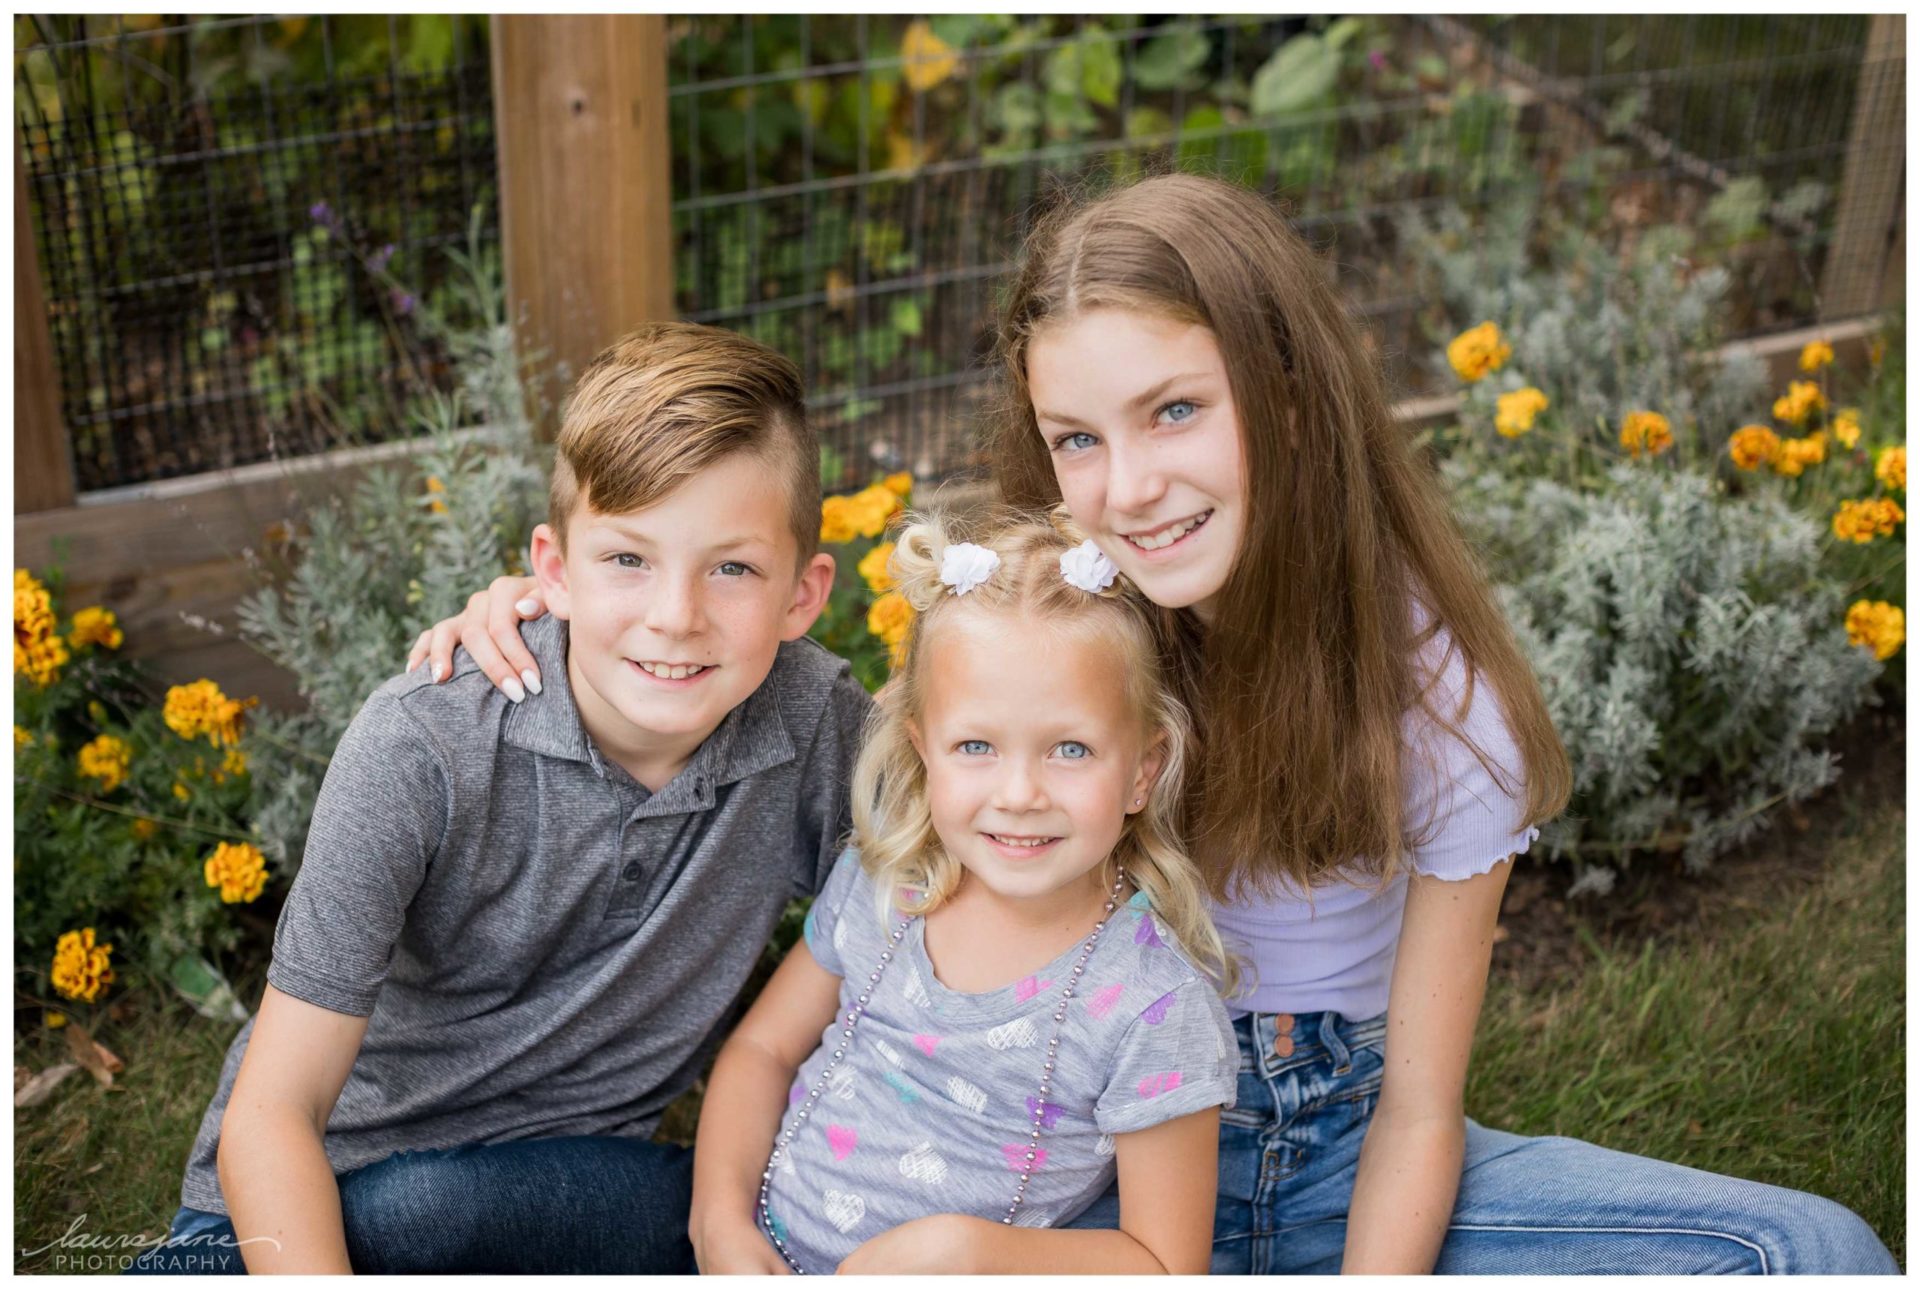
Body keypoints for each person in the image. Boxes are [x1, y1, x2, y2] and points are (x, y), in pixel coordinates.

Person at [411, 174, 1898, 1274]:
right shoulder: (1060, 633)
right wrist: (538, 622)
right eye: (1080, 437)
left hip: (1320, 1162)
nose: (1127, 485)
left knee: (1806, 1255)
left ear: (1293, 393)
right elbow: (790, 683)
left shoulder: (1443, 704)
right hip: (1037, 1176)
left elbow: (1421, 1116)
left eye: (1177, 411)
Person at [128, 323, 870, 1274]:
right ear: (554, 572)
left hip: (576, 1186)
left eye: (732, 567)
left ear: (803, 596)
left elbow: (977, 836)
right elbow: (273, 1112)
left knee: (789, 1213)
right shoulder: (422, 747)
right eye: (628, 560)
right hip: (307, 1207)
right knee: (419, 1207)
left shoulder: (815, 727)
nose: (675, 614)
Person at [689, 510, 1237, 1275]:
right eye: (975, 746)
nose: (1018, 793)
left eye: (1070, 748)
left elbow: (1163, 1263)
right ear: (923, 749)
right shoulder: (888, 883)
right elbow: (762, 1048)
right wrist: (719, 1219)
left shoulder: (1148, 1004)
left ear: (1143, 770)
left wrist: (968, 1253)